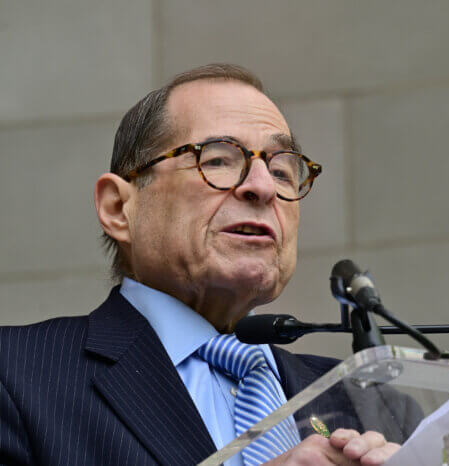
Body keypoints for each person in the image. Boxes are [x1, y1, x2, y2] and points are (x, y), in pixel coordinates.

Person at [0, 64, 420, 465]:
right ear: (118, 207)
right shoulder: (18, 374)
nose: (261, 187)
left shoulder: (377, 408)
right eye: (218, 159)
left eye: (281, 170)